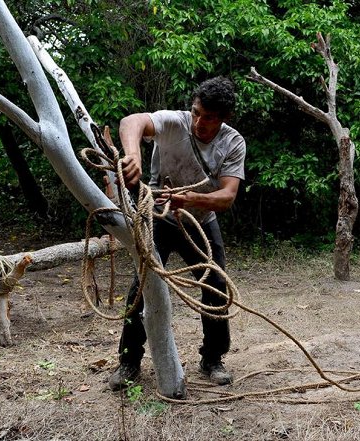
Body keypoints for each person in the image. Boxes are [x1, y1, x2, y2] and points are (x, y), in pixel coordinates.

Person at [108, 77, 246, 390]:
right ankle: (129, 361)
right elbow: (132, 121)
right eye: (196, 112)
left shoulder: (233, 142)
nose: (199, 122)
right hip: (158, 216)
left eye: (209, 117)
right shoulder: (175, 122)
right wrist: (133, 155)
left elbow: (227, 196)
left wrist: (189, 200)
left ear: (223, 118)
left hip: (201, 220)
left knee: (216, 287)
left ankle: (212, 359)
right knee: (142, 285)